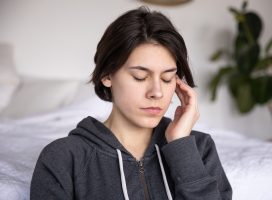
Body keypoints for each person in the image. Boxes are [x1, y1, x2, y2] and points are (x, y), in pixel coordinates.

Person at [30, 6, 232, 200]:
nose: (157, 92)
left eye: (167, 78)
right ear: (107, 75)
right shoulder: (63, 157)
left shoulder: (199, 149)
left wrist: (181, 147)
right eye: (140, 77)